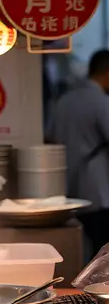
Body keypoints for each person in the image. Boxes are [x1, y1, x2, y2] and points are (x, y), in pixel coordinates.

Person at [49, 49, 109, 259]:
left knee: (80, 247)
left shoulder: (65, 100)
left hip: (67, 186)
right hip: (96, 188)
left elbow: (51, 138)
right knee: (102, 249)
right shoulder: (100, 101)